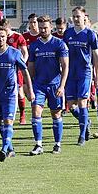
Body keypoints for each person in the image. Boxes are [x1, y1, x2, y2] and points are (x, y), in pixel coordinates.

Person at [0, 26, 35, 161]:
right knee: (0, 122)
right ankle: (10, 149)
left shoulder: (15, 53)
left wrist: (30, 90)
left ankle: (4, 149)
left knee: (8, 121)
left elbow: (25, 72)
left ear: (7, 37)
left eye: (3, 36)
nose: (0, 39)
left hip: (11, 93)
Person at [25, 16, 68, 155]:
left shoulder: (59, 44)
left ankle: (57, 144)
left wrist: (62, 86)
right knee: (36, 112)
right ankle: (38, 145)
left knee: (56, 114)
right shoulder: (34, 45)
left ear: (51, 28)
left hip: (55, 85)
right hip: (39, 85)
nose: (43, 30)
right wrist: (30, 84)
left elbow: (65, 66)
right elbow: (30, 66)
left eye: (45, 27)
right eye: (41, 27)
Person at [64, 7, 98, 146]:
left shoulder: (90, 34)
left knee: (82, 102)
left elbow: (96, 56)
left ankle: (82, 135)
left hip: (84, 72)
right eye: (74, 16)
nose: (76, 19)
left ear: (84, 16)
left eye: (78, 16)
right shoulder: (68, 34)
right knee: (71, 105)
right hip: (70, 73)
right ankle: (86, 122)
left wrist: (97, 76)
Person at [0, 19, 29, 126]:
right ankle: (4, 114)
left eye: (5, 30)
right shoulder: (0, 37)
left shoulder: (18, 37)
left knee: (20, 92)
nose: (3, 34)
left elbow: (25, 53)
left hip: (15, 69)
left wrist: (21, 65)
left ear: (9, 28)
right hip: (3, 69)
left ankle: (22, 115)